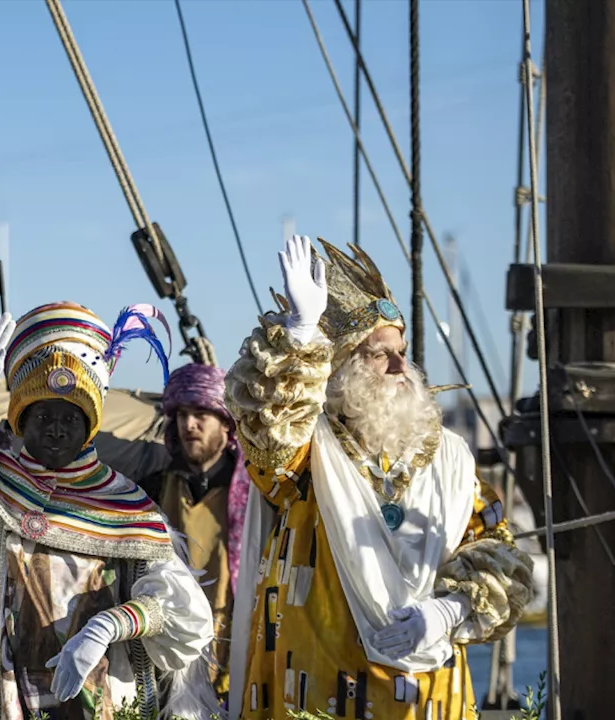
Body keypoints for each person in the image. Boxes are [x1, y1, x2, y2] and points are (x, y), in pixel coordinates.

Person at [224, 237, 534, 719]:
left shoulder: (449, 458)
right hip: (320, 682)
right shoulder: (308, 455)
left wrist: (450, 609)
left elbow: (499, 547)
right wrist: (302, 335)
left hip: (428, 691)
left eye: (402, 351)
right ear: (343, 369)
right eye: (379, 354)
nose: (400, 366)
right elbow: (268, 429)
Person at [0, 302, 219, 719]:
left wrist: (109, 626)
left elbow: (187, 615)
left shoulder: (128, 506)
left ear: (90, 425)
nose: (55, 428)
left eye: (71, 416)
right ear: (19, 419)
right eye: (42, 413)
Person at [139, 363, 249, 702]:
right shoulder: (152, 491)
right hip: (167, 667)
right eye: (182, 414)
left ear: (226, 423)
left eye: (201, 413)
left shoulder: (253, 497)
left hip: (240, 666)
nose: (189, 424)